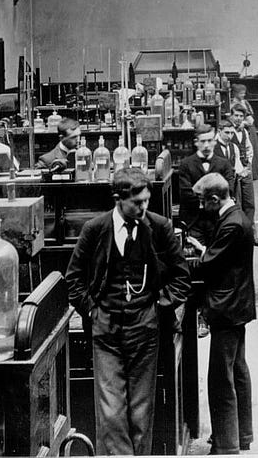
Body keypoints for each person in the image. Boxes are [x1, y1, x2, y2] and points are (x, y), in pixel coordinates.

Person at [65, 168, 192, 455]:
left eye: (147, 201)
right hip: (106, 331)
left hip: (144, 331)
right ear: (118, 199)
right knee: (111, 412)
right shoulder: (95, 229)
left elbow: (181, 277)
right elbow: (73, 279)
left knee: (140, 412)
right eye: (138, 202)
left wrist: (159, 304)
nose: (144, 207)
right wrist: (93, 311)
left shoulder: (159, 228)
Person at [193, 173, 256, 455]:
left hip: (226, 307)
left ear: (215, 199)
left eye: (201, 200)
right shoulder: (235, 216)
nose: (199, 206)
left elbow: (208, 264)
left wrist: (191, 258)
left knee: (221, 379)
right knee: (237, 371)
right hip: (236, 304)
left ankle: (226, 447)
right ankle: (241, 436)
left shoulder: (231, 224)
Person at [177, 124, 235, 247]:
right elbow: (185, 194)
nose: (207, 145)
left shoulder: (224, 164)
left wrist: (199, 194)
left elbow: (229, 190)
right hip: (193, 221)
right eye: (203, 141)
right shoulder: (185, 164)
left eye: (210, 140)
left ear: (215, 141)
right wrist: (213, 197)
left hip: (217, 220)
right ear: (196, 143)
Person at [229, 104, 258, 246]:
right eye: (236, 115)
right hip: (233, 173)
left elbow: (249, 148)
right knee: (237, 202)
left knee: (250, 203)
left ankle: (252, 233)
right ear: (231, 116)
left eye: (241, 116)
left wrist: (248, 164)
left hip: (245, 171)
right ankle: (239, 236)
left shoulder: (244, 131)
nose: (238, 118)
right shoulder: (227, 131)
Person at [229, 84, 258, 182]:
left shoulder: (245, 102)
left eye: (244, 93)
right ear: (235, 93)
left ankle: (253, 173)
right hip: (238, 128)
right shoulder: (231, 103)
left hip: (249, 127)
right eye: (241, 93)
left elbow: (250, 117)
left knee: (250, 149)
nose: (243, 95)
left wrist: (247, 122)